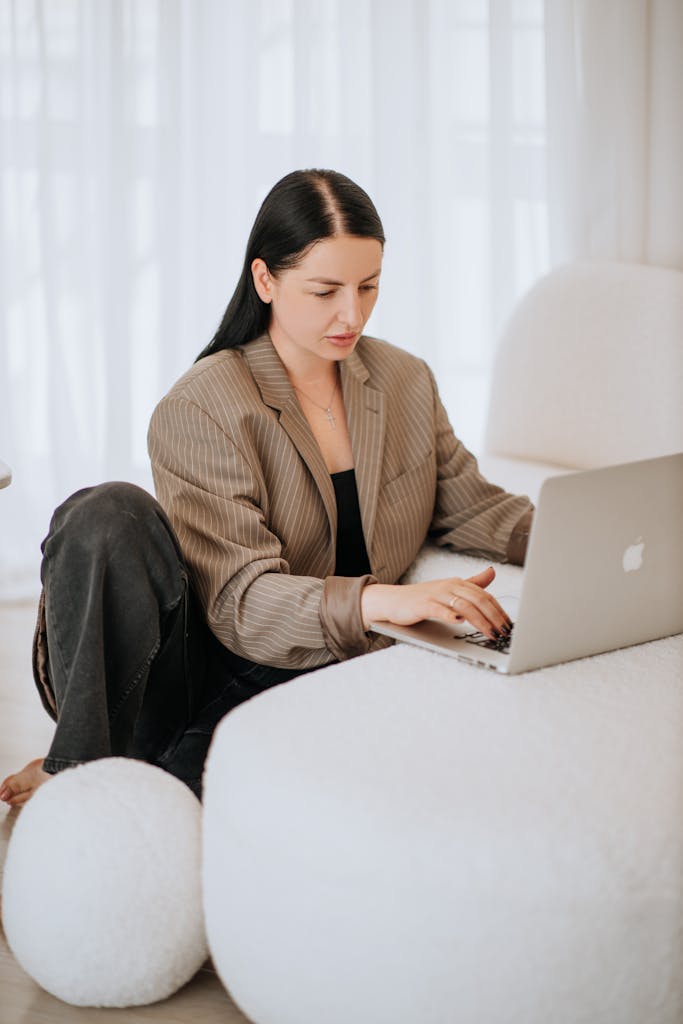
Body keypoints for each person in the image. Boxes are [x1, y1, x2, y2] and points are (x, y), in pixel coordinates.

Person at [0, 168, 533, 808]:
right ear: (266, 281)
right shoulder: (205, 404)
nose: (352, 313)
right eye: (325, 291)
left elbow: (470, 504)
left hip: (329, 663)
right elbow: (242, 604)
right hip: (208, 663)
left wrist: (588, 536)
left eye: (369, 287)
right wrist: (383, 602)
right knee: (107, 511)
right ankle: (80, 763)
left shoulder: (403, 380)